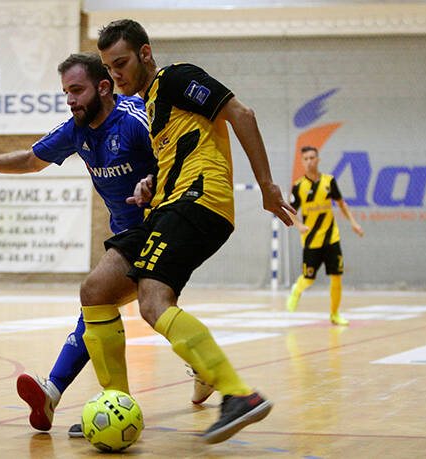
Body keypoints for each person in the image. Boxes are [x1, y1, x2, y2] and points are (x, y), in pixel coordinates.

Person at [91, 19, 296, 444]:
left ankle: (240, 394)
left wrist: (267, 186)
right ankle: (117, 404)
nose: (116, 75)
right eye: (110, 69)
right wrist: (151, 184)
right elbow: (184, 148)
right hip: (167, 205)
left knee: (152, 300)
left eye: (123, 63)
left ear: (145, 54)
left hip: (200, 200)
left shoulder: (176, 77)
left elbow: (242, 113)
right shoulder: (150, 107)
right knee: (95, 290)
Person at [0, 52, 157, 437]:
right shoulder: (76, 129)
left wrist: (153, 179)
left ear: (103, 87)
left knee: (104, 301)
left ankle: (77, 395)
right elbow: (32, 160)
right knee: (114, 308)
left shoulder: (136, 117)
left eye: (76, 90)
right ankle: (58, 395)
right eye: (65, 92)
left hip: (161, 230)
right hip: (125, 238)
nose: (69, 99)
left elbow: (174, 153)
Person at [285, 145, 363, 325]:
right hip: (311, 240)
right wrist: (298, 225)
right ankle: (297, 290)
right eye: (306, 159)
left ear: (318, 160)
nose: (309, 161)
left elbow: (342, 204)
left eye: (312, 158)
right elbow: (290, 211)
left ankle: (334, 314)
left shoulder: (329, 181)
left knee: (336, 276)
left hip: (331, 237)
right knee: (308, 279)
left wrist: (353, 222)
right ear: (302, 162)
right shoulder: (298, 186)